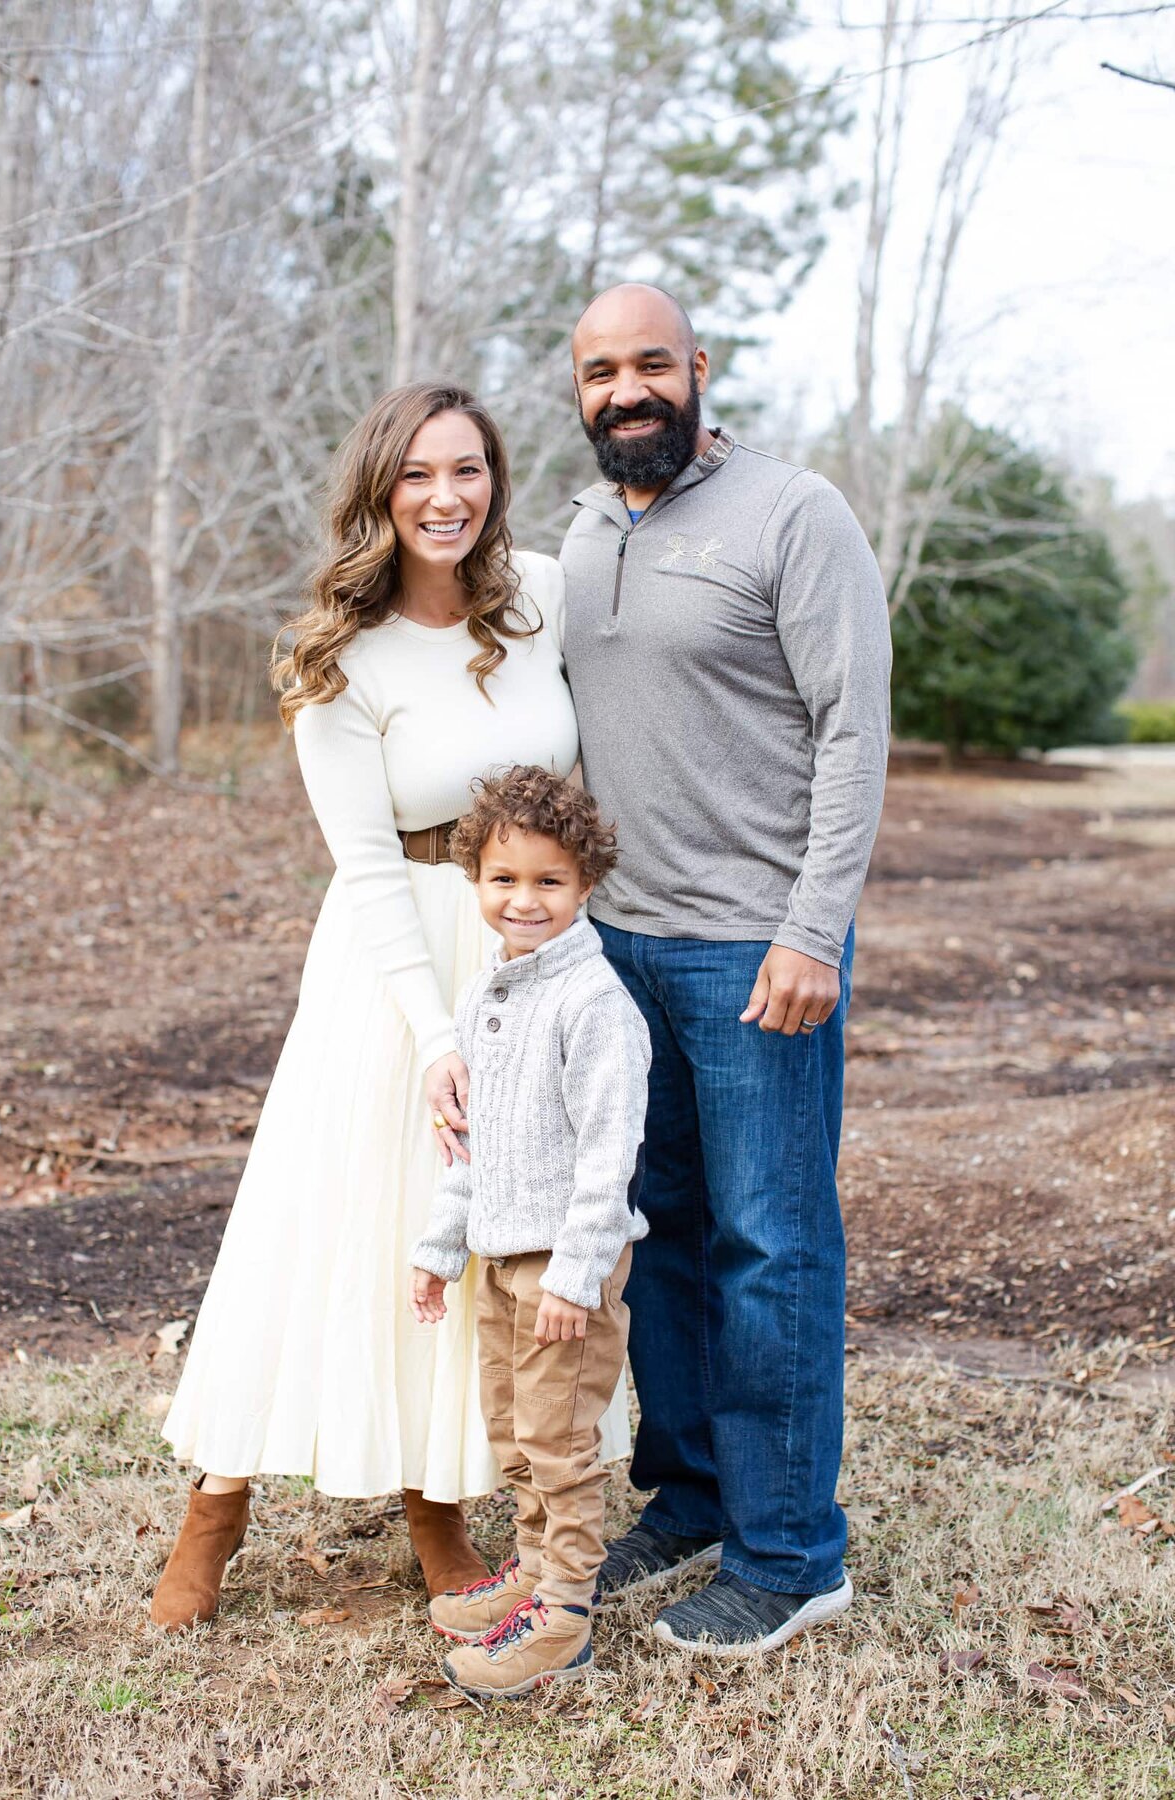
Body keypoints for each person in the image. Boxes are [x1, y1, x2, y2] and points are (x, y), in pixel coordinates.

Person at [150, 384, 631, 1632]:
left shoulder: (540, 594)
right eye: (418, 475)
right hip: (396, 964)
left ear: (495, 480)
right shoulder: (336, 659)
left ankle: (440, 1505)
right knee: (335, 1221)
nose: (446, 497)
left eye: (468, 471)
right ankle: (219, 1499)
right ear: (379, 491)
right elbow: (364, 866)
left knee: (489, 1234)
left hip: (527, 949)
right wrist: (433, 1033)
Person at [560, 284, 892, 1654]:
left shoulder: (792, 513)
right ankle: (694, 1494)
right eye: (598, 372)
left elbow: (853, 728)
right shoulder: (582, 531)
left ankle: (791, 1551)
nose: (625, 390)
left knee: (772, 1248)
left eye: (650, 364)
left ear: (699, 369)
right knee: (667, 1239)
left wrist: (814, 926)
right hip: (618, 948)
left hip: (756, 952)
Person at [409, 767, 650, 1699]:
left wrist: (576, 1277)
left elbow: (608, 1156)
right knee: (513, 1431)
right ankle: (531, 1571)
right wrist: (440, 1248)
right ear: (475, 882)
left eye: (549, 881)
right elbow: (469, 1145)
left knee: (559, 1440)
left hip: (563, 1270)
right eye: (504, 879)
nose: (524, 899)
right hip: (500, 1259)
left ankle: (565, 1614)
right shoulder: (486, 997)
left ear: (586, 887)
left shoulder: (594, 1006)